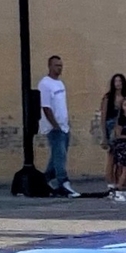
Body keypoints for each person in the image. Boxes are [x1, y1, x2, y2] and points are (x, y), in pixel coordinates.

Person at [36, 54, 77, 198]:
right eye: (56, 65)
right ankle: (63, 183)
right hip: (54, 128)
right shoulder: (45, 84)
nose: (59, 68)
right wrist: (55, 125)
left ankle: (44, 181)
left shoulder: (60, 83)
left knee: (56, 157)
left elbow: (61, 105)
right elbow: (46, 107)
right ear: (49, 66)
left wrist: (66, 123)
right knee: (60, 157)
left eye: (61, 65)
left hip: (64, 126)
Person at [101, 72, 126, 203]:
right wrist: (104, 135)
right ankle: (111, 185)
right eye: (116, 81)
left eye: (120, 81)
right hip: (111, 126)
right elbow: (103, 116)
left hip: (122, 127)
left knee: (121, 162)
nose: (118, 84)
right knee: (112, 158)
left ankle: (121, 186)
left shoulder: (125, 98)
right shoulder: (108, 97)